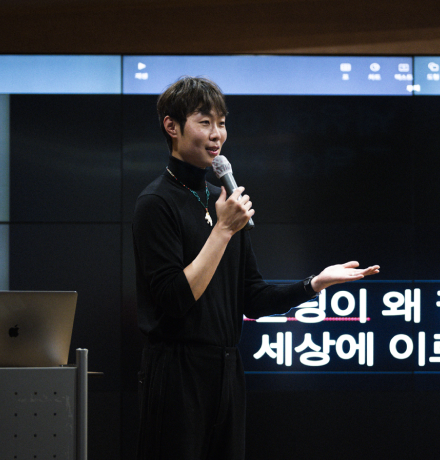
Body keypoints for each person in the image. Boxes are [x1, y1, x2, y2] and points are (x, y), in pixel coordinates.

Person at [132, 76, 379, 460]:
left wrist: (314, 284)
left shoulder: (224, 201)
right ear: (172, 127)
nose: (217, 134)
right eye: (204, 122)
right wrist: (223, 231)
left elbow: (254, 298)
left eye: (222, 123)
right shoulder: (156, 203)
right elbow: (173, 299)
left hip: (227, 369)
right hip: (176, 372)